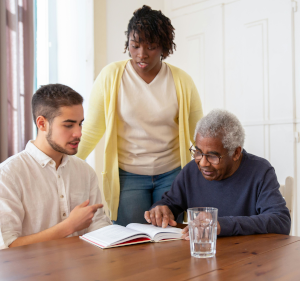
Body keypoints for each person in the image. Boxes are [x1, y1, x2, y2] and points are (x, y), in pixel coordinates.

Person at [76, 5, 203, 226]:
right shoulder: (111, 77)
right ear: (128, 44)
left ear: (164, 47)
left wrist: (219, 163)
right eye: (135, 46)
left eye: (151, 47)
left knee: (168, 240)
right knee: (130, 243)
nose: (141, 54)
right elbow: (92, 130)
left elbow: (199, 133)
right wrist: (64, 163)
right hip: (128, 176)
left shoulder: (181, 81)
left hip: (172, 174)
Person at [144, 109, 291, 236]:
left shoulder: (260, 171)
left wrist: (223, 225)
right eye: (198, 152)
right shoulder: (190, 171)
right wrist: (162, 210)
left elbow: (280, 221)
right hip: (201, 259)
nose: (202, 163)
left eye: (213, 156)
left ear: (236, 153)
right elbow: (170, 203)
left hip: (247, 260)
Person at [0, 84, 111, 249]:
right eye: (68, 125)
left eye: (80, 124)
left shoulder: (84, 171)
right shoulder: (8, 174)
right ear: (42, 124)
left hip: (81, 268)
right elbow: (7, 246)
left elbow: (98, 225)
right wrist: (69, 226)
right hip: (30, 273)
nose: (79, 133)